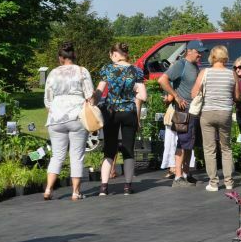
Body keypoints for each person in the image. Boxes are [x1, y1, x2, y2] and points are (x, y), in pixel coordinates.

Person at [43, 42, 95, 201]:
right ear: (74, 56)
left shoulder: (53, 73)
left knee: (57, 155)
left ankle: (48, 189)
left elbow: (47, 99)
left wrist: (54, 111)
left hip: (56, 118)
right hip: (76, 116)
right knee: (76, 155)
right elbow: (90, 95)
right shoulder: (82, 71)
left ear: (60, 58)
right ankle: (75, 192)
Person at [95, 42, 147, 196]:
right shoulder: (136, 71)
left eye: (111, 55)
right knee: (128, 149)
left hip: (111, 112)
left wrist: (93, 99)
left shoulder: (107, 69)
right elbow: (143, 96)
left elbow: (99, 92)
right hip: (129, 112)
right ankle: (127, 186)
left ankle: (103, 187)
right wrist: (133, 94)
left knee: (109, 149)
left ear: (115, 54)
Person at [158, 39, 204, 188]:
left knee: (189, 143)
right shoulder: (181, 65)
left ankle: (185, 174)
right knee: (182, 142)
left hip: (194, 111)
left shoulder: (194, 66)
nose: (200, 56)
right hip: (183, 111)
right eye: (198, 52)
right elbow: (162, 80)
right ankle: (178, 177)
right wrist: (176, 97)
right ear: (189, 51)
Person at [192, 45, 235, 191]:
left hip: (208, 112)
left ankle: (214, 182)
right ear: (225, 57)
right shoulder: (231, 74)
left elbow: (193, 94)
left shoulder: (205, 72)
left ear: (212, 57)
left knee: (209, 149)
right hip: (225, 113)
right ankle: (229, 182)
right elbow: (236, 96)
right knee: (226, 148)